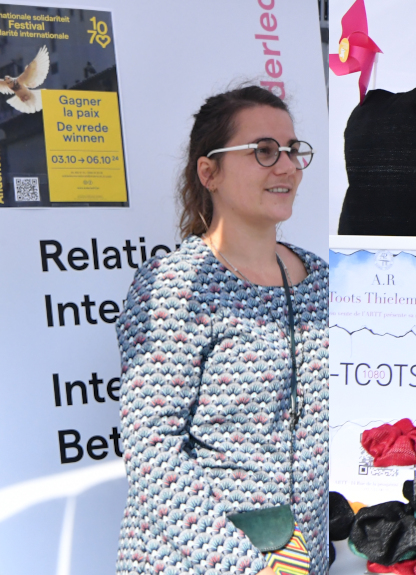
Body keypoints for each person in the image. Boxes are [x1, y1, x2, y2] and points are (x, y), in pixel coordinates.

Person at [115, 86, 328, 574]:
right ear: (208, 172)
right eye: (264, 151)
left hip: (304, 561)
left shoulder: (321, 280)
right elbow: (152, 452)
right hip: (200, 562)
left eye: (293, 150)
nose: (287, 166)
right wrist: (247, 565)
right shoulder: (175, 286)